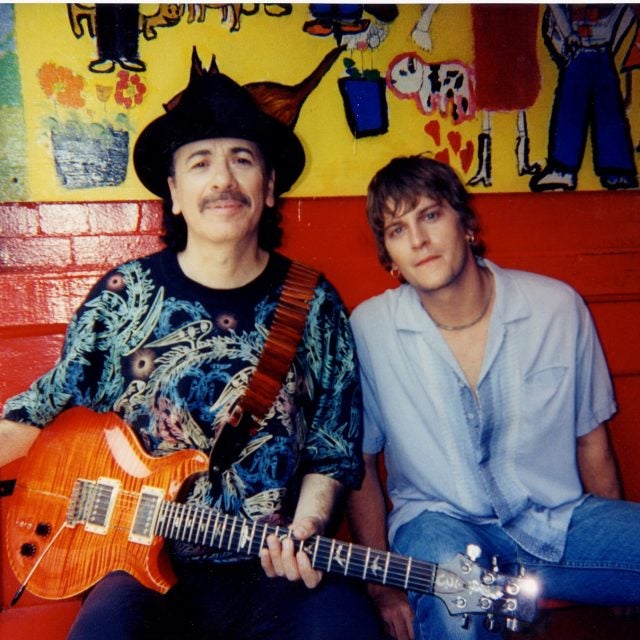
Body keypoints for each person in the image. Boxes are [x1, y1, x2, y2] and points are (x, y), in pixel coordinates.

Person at [0, 67, 384, 639]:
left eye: (242, 159)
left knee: (346, 629)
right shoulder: (123, 297)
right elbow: (39, 411)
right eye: (200, 162)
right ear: (175, 194)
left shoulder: (315, 302)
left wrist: (306, 528)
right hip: (139, 568)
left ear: (269, 187)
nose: (222, 179)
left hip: (274, 568)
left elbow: (332, 449)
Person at [347, 155, 640, 640]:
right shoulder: (369, 329)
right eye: (397, 230)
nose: (418, 240)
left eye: (430, 215)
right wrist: (383, 585)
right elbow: (359, 464)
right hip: (437, 525)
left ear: (466, 224)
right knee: (457, 606)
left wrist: (615, 569)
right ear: (390, 258)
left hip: (556, 521)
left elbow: (592, 440)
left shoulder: (556, 308)